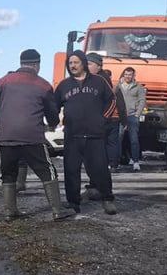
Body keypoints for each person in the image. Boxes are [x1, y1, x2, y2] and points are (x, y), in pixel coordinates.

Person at [0, 49, 71, 220]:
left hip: (7, 137)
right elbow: (51, 113)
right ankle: (57, 210)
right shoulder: (43, 84)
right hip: (32, 136)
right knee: (47, 171)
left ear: (21, 63)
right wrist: (53, 124)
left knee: (8, 173)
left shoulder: (2, 82)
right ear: (36, 64)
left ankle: (10, 212)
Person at [55, 52, 116, 214]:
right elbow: (53, 105)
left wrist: (103, 119)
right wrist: (52, 120)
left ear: (83, 63)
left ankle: (108, 199)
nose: (72, 66)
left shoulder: (99, 81)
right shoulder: (64, 85)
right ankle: (73, 202)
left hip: (95, 135)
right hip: (73, 136)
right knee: (71, 169)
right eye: (70, 63)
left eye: (76, 62)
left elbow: (112, 100)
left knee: (100, 169)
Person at [86, 53, 126, 172]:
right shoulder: (109, 83)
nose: (86, 66)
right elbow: (120, 103)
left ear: (99, 66)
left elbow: (114, 101)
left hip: (106, 117)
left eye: (89, 64)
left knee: (104, 142)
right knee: (112, 142)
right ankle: (112, 164)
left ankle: (105, 164)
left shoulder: (99, 80)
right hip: (112, 117)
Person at [118, 67, 147, 172]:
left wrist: (137, 114)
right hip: (120, 116)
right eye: (125, 74)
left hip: (132, 116)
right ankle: (115, 162)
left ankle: (135, 162)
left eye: (130, 75)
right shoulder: (118, 86)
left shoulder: (138, 87)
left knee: (134, 140)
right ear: (123, 75)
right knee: (118, 139)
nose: (127, 76)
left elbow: (142, 101)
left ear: (134, 76)